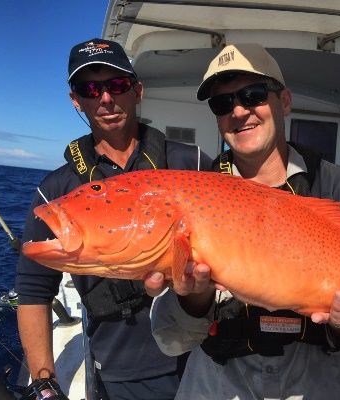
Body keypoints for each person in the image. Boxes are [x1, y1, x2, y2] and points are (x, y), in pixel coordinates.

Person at [146, 43, 340, 399]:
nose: (239, 111)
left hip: (324, 381)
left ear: (285, 101)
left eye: (254, 94)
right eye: (222, 103)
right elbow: (170, 341)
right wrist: (192, 301)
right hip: (220, 381)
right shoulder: (192, 194)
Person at [15, 38, 211, 400]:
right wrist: (44, 380)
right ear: (76, 99)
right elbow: (33, 290)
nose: (105, 98)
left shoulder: (193, 163)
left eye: (117, 85)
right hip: (122, 371)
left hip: (203, 356)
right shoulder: (56, 189)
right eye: (91, 89)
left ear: (137, 91)